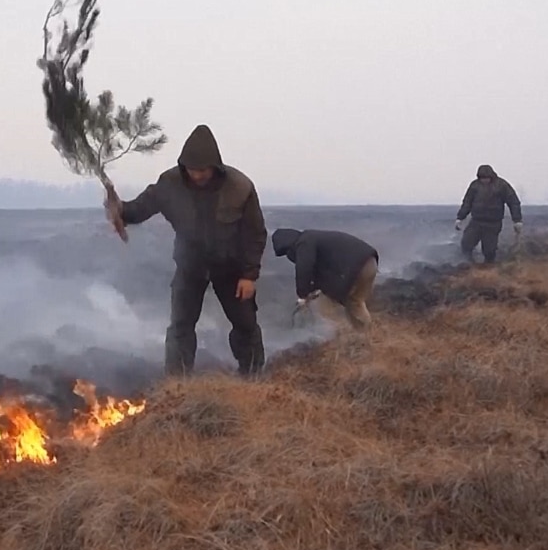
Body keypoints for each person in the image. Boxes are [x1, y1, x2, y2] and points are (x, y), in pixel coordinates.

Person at [105, 124, 268, 377]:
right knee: (180, 326)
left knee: (245, 324)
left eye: (203, 170)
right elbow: (141, 208)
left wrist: (249, 275)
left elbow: (255, 233)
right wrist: (120, 211)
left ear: (215, 166)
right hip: (190, 268)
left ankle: (253, 376)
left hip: (232, 269)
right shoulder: (170, 183)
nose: (197, 175)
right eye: (192, 170)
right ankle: (177, 384)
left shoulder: (240, 187)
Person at [271, 228, 380, 330]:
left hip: (359, 267)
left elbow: (305, 268)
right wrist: (313, 290)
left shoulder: (304, 242)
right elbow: (322, 272)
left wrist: (302, 295)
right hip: (369, 262)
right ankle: (361, 332)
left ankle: (363, 335)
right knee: (354, 301)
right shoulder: (311, 238)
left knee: (347, 302)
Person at [455, 164, 523, 264]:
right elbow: (467, 202)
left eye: (486, 178)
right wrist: (460, 218)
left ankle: (489, 269)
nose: (484, 180)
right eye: (482, 178)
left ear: (491, 176)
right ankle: (469, 265)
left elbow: (513, 202)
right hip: (476, 222)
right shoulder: (474, 185)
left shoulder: (502, 185)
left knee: (489, 251)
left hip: (493, 224)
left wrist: (517, 220)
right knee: (466, 245)